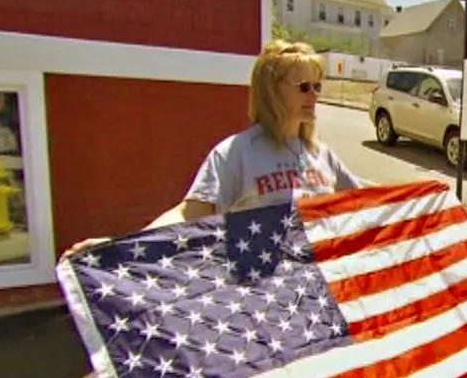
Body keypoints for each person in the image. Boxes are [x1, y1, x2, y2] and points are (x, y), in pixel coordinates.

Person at [62, 40, 362, 257]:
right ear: (272, 92)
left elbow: (371, 205)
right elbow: (188, 214)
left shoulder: (323, 156)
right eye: (303, 86)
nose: (313, 95)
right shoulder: (237, 153)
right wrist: (121, 246)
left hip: (317, 290)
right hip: (264, 294)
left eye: (317, 86)